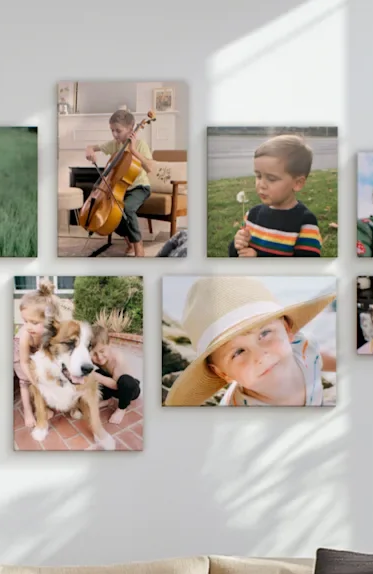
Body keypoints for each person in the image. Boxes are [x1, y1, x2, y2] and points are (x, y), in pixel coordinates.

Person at [165, 277, 336, 407]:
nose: (260, 355)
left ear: (287, 329)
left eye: (265, 333)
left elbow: (319, 357)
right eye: (238, 352)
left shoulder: (303, 347)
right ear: (223, 373)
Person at [229, 135, 322, 257]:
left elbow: (305, 270)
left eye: (271, 179)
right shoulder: (252, 215)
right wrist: (237, 245)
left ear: (297, 183)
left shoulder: (305, 223)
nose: (261, 185)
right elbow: (234, 256)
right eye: (258, 176)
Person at [85, 109, 154, 257]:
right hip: (119, 189)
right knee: (112, 215)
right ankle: (130, 242)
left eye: (118, 131)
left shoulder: (141, 145)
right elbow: (92, 147)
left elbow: (150, 168)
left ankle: (138, 247)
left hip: (139, 187)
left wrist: (133, 150)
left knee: (126, 209)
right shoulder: (114, 144)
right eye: (112, 131)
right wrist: (89, 151)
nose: (115, 135)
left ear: (131, 129)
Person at [13, 280, 55, 426]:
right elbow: (24, 362)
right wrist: (32, 380)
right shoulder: (25, 334)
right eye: (25, 321)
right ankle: (28, 411)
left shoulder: (50, 332)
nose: (28, 326)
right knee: (25, 383)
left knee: (43, 379)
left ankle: (43, 407)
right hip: (20, 355)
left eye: (34, 322)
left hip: (37, 352)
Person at [90, 322, 141, 424]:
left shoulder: (117, 358)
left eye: (102, 351)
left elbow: (115, 385)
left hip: (129, 389)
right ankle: (107, 400)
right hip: (112, 383)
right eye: (94, 354)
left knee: (125, 381)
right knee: (95, 373)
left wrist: (96, 376)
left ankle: (122, 408)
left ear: (109, 345)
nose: (99, 357)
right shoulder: (94, 358)